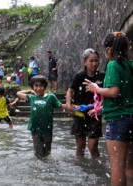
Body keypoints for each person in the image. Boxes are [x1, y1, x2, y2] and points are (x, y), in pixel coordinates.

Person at [83, 32, 133, 186]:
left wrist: (95, 88)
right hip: (131, 117)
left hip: (119, 121)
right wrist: (101, 108)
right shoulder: (131, 65)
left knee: (117, 165)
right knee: (130, 165)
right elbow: (126, 95)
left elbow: (114, 91)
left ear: (110, 49)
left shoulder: (113, 64)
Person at [66, 48, 105, 159]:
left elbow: (108, 94)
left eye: (96, 60)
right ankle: (80, 168)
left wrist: (100, 108)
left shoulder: (103, 76)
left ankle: (97, 167)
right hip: (80, 114)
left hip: (95, 114)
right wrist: (69, 105)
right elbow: (70, 91)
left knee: (93, 146)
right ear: (84, 62)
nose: (94, 63)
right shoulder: (79, 76)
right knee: (80, 146)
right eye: (91, 61)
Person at [16, 75, 66, 159]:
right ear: (32, 87)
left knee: (47, 153)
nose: (38, 88)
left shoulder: (51, 97)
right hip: (35, 129)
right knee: (39, 152)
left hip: (47, 130)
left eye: (41, 86)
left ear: (45, 87)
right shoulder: (31, 97)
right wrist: (30, 91)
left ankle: (47, 169)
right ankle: (39, 168)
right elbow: (18, 93)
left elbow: (61, 106)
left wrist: (74, 108)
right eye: (36, 86)